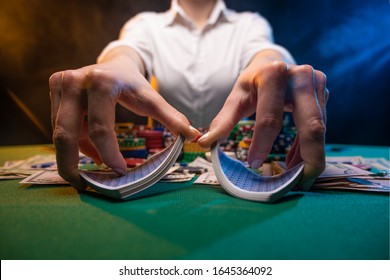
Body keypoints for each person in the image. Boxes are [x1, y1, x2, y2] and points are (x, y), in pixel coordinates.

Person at [49, 0, 328, 191]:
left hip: (231, 157)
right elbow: (126, 50)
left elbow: (264, 51)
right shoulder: (144, 24)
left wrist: (272, 66)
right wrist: (113, 67)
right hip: (172, 157)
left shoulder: (250, 23)